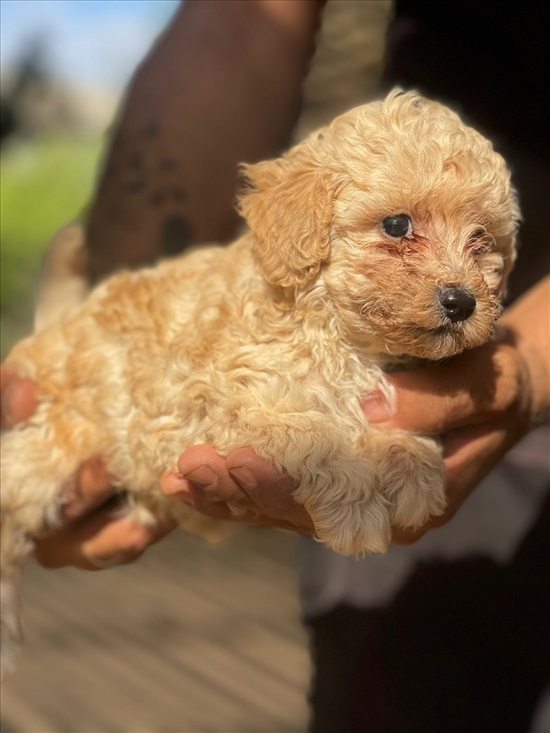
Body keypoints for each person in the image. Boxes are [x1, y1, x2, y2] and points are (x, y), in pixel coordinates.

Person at [2, 1, 549, 730]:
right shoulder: (277, 290)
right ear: (305, 220)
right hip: (492, 94)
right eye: (398, 229)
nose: (458, 280)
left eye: (483, 244)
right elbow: (242, 20)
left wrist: (535, 362)